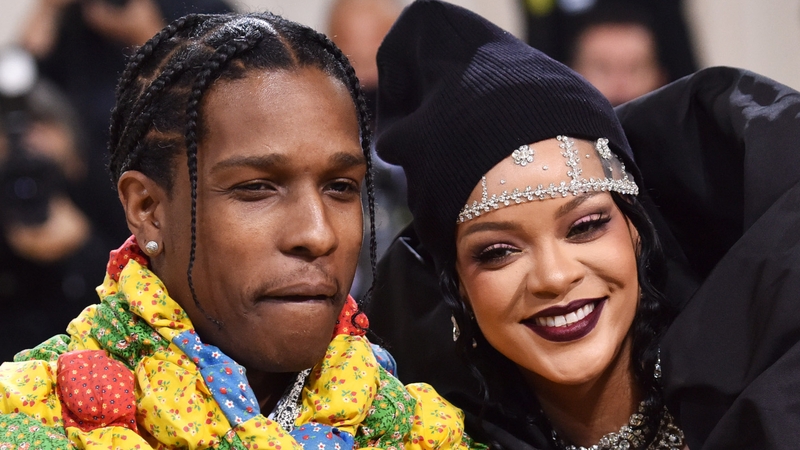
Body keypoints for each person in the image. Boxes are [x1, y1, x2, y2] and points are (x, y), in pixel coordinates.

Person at [0, 11, 480, 449]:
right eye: (256, 188)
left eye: (340, 186)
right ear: (148, 209)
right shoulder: (34, 419)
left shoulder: (418, 430)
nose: (318, 235)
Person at [370, 1, 800, 448]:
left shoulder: (771, 397)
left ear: (636, 229)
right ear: (457, 284)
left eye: (585, 226)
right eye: (499, 252)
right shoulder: (427, 433)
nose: (555, 277)